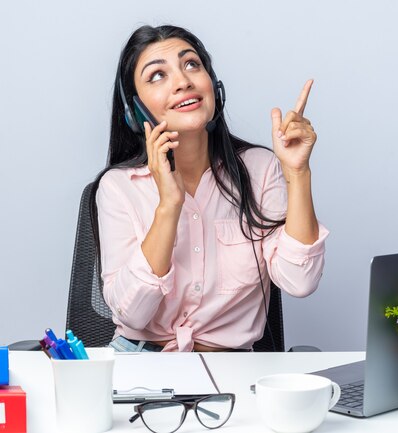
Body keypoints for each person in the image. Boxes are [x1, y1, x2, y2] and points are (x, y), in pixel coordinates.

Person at [89, 24, 329, 352]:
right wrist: (169, 206)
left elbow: (300, 281)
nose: (183, 81)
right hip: (142, 364)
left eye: (191, 65)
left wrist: (297, 172)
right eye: (157, 76)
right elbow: (132, 312)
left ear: (213, 86)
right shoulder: (118, 188)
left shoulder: (259, 169)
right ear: (134, 112)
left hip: (233, 369)